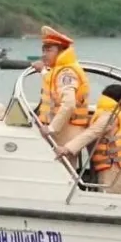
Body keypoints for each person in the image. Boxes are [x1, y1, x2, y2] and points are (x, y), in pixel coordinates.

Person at [54, 84, 121, 194]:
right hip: (116, 172)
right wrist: (67, 149)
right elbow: (92, 132)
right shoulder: (111, 116)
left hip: (115, 171)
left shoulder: (105, 113)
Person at [33, 26, 90, 167]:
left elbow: (69, 104)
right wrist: (42, 70)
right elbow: (53, 83)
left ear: (62, 51)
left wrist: (52, 128)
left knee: (64, 172)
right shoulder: (58, 71)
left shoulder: (66, 72)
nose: (44, 54)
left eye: (49, 50)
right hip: (64, 131)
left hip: (66, 133)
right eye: (43, 50)